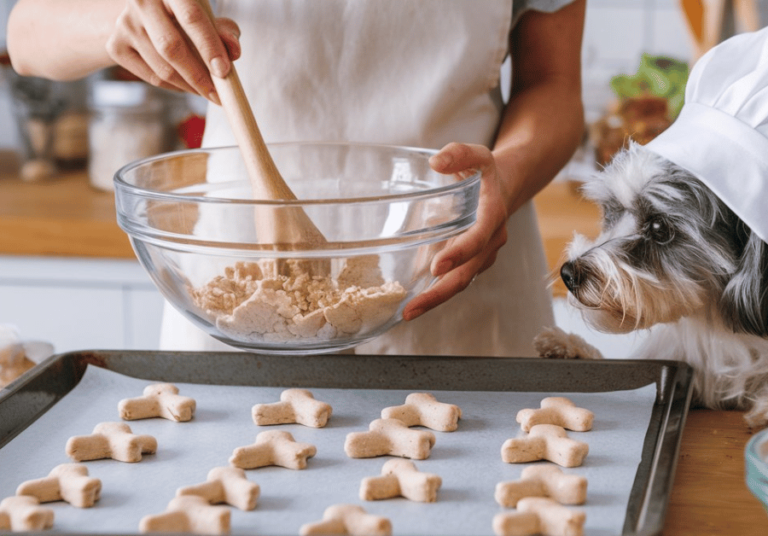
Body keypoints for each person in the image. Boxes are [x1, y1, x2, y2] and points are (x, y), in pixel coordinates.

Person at [7, 0, 585, 357]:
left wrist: (503, 180)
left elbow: (554, 83)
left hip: (456, 289)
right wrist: (116, 19)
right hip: (236, 293)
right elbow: (26, 33)